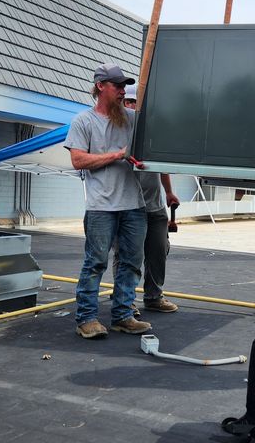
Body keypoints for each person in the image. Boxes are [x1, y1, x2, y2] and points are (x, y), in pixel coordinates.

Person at [65, 63, 152, 339]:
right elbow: (78, 160)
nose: (122, 91)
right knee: (95, 263)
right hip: (101, 207)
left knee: (131, 263)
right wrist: (118, 155)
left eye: (124, 86)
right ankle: (86, 319)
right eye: (117, 86)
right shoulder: (84, 121)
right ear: (101, 86)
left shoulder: (132, 118)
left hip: (133, 205)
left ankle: (123, 316)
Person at [113, 83, 180, 314]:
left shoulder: (151, 132)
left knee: (158, 251)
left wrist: (169, 191)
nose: (132, 106)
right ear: (123, 104)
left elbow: (161, 165)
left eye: (135, 103)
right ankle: (125, 301)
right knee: (127, 255)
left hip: (155, 205)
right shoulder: (118, 132)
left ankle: (153, 296)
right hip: (129, 206)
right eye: (129, 102)